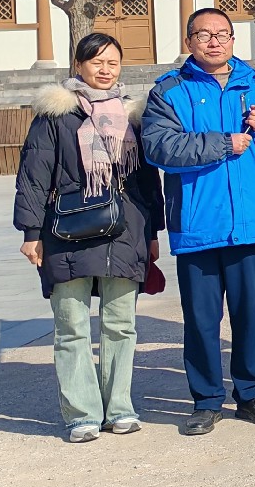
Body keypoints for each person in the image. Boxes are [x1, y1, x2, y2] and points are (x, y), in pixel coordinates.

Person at [13, 33, 164, 443]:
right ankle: (81, 414)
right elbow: (33, 175)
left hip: (126, 229)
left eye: (112, 62)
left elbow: (147, 180)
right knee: (71, 326)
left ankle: (119, 408)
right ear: (78, 65)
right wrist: (31, 232)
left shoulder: (133, 115)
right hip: (66, 229)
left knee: (120, 324)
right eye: (96, 62)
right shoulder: (56, 114)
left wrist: (153, 231)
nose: (105, 70)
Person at [142, 9, 255, 434]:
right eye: (204, 35)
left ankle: (253, 393)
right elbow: (160, 148)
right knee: (202, 320)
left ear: (234, 41)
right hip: (198, 222)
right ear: (189, 42)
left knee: (251, 314)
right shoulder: (170, 91)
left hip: (251, 221)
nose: (215, 42)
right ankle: (206, 400)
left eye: (223, 34)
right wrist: (223, 143)